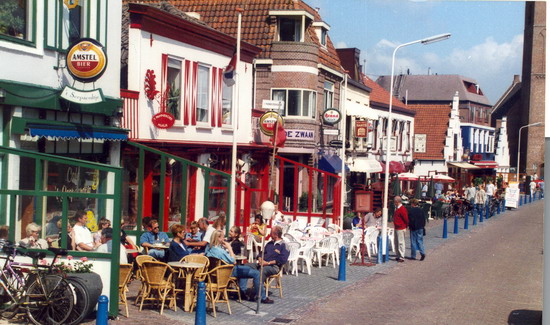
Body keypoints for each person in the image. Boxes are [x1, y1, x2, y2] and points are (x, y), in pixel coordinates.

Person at [205, 230, 271, 304]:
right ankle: (262, 297)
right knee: (256, 273)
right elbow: (234, 261)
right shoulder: (220, 251)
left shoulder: (209, 248)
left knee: (245, 268)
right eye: (223, 237)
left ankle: (243, 291)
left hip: (215, 272)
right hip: (228, 271)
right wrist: (229, 248)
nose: (224, 238)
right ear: (219, 238)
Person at [243, 226, 289, 302]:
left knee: (262, 271)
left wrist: (267, 263)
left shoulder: (284, 245)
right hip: (262, 263)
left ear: (275, 235)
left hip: (273, 267)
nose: (269, 234)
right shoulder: (269, 243)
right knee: (245, 266)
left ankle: (258, 294)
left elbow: (282, 260)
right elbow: (261, 253)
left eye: (271, 232)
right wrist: (260, 259)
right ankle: (243, 291)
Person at [392, 196, 408, 262]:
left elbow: (406, 219)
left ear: (397, 202)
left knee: (401, 242)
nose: (394, 203)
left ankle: (402, 256)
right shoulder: (397, 208)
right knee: (396, 242)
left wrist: (404, 226)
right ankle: (398, 255)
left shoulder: (402, 209)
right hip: (397, 227)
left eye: (395, 202)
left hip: (401, 227)